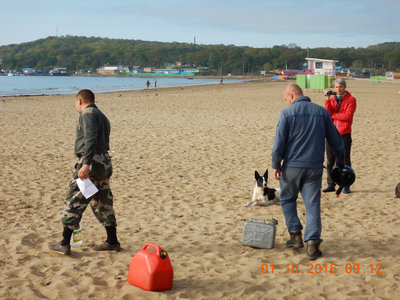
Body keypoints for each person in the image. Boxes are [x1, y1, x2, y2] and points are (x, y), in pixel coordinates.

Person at [271, 83, 345, 260]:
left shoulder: (287, 113)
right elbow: (336, 141)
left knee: (287, 199)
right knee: (312, 204)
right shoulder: (321, 112)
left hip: (292, 167)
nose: (287, 102)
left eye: (286, 99)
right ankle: (312, 244)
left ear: (290, 96)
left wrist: (276, 164)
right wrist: (340, 163)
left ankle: (296, 236)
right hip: (314, 167)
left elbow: (278, 143)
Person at [49, 89, 121, 255]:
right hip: (104, 162)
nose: (76, 106)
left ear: (80, 101)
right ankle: (112, 241)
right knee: (103, 201)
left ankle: (64, 243)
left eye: (76, 103)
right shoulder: (102, 116)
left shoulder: (87, 114)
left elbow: (90, 139)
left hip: (92, 162)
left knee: (74, 199)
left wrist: (86, 164)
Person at [323, 78, 356, 194]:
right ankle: (331, 185)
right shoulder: (332, 100)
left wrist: (334, 115)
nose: (338, 89)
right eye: (336, 87)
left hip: (345, 134)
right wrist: (327, 99)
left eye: (340, 87)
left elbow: (347, 116)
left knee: (345, 161)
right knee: (330, 161)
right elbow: (327, 114)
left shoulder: (351, 100)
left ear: (345, 87)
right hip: (332, 134)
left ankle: (346, 185)